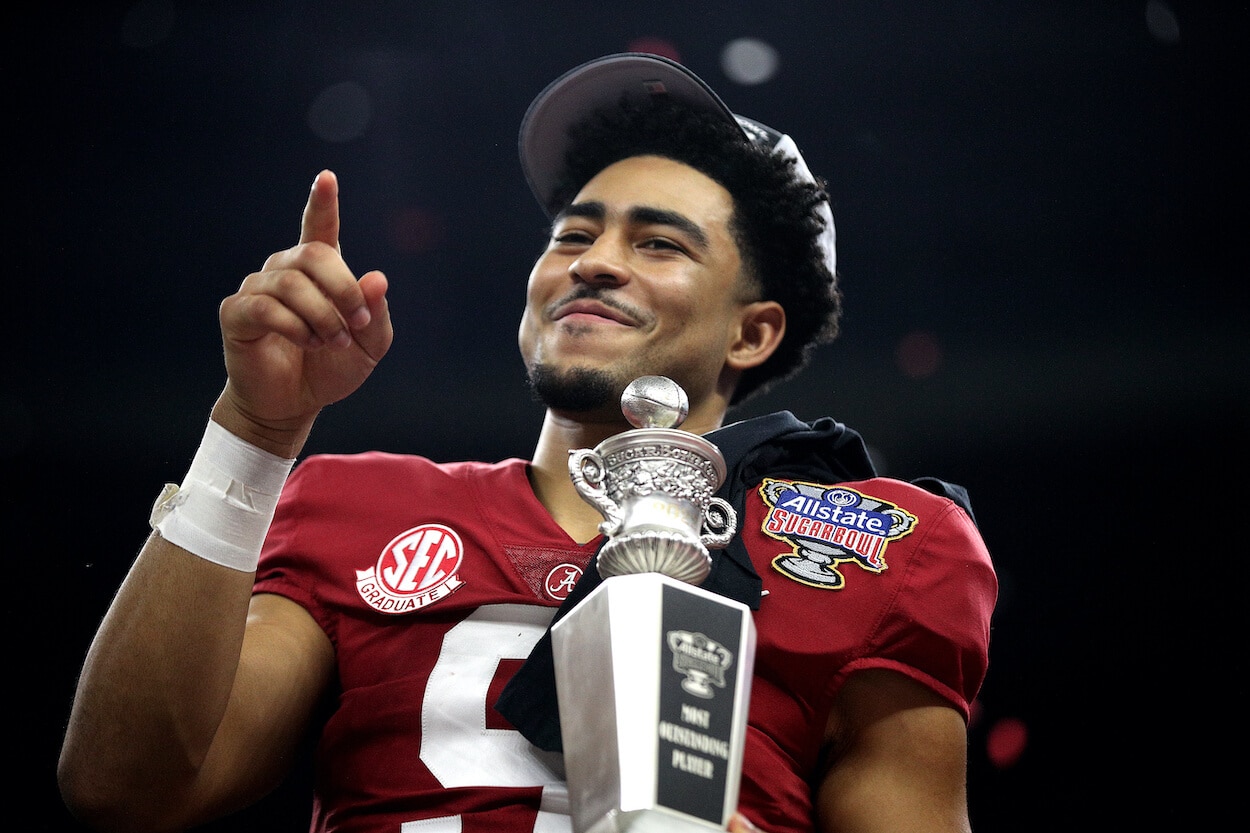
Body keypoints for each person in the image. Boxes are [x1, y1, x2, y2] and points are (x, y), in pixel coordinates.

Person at [58, 53, 997, 833]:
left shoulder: (876, 540)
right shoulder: (357, 501)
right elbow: (130, 788)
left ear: (752, 333)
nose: (593, 258)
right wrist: (257, 434)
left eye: (660, 244)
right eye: (574, 232)